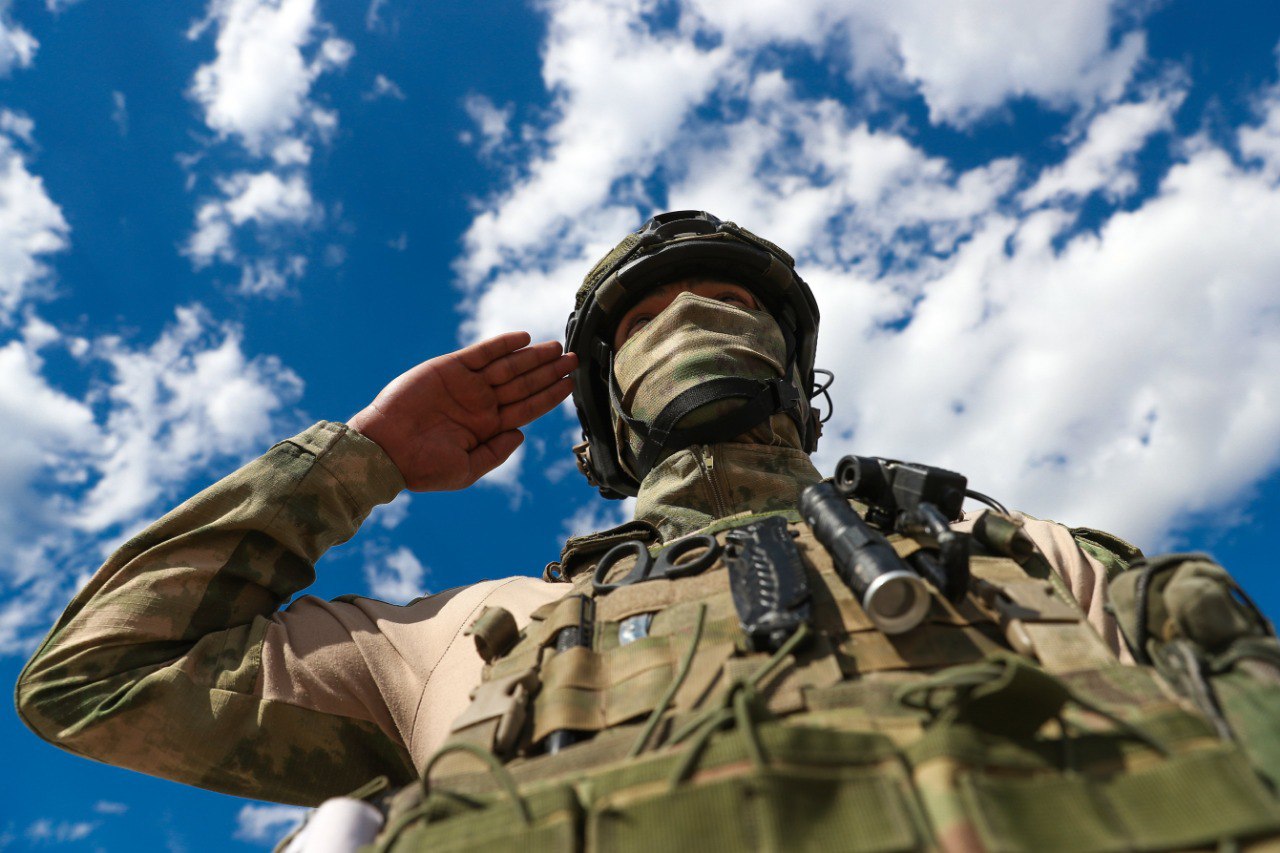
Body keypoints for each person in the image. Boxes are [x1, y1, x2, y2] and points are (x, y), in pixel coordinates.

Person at [17, 211, 1280, 850]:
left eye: (727, 300)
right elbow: (97, 679)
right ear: (605, 418)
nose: (691, 320)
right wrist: (360, 460)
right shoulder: (462, 636)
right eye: (643, 320)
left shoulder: (1018, 557)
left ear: (794, 376)